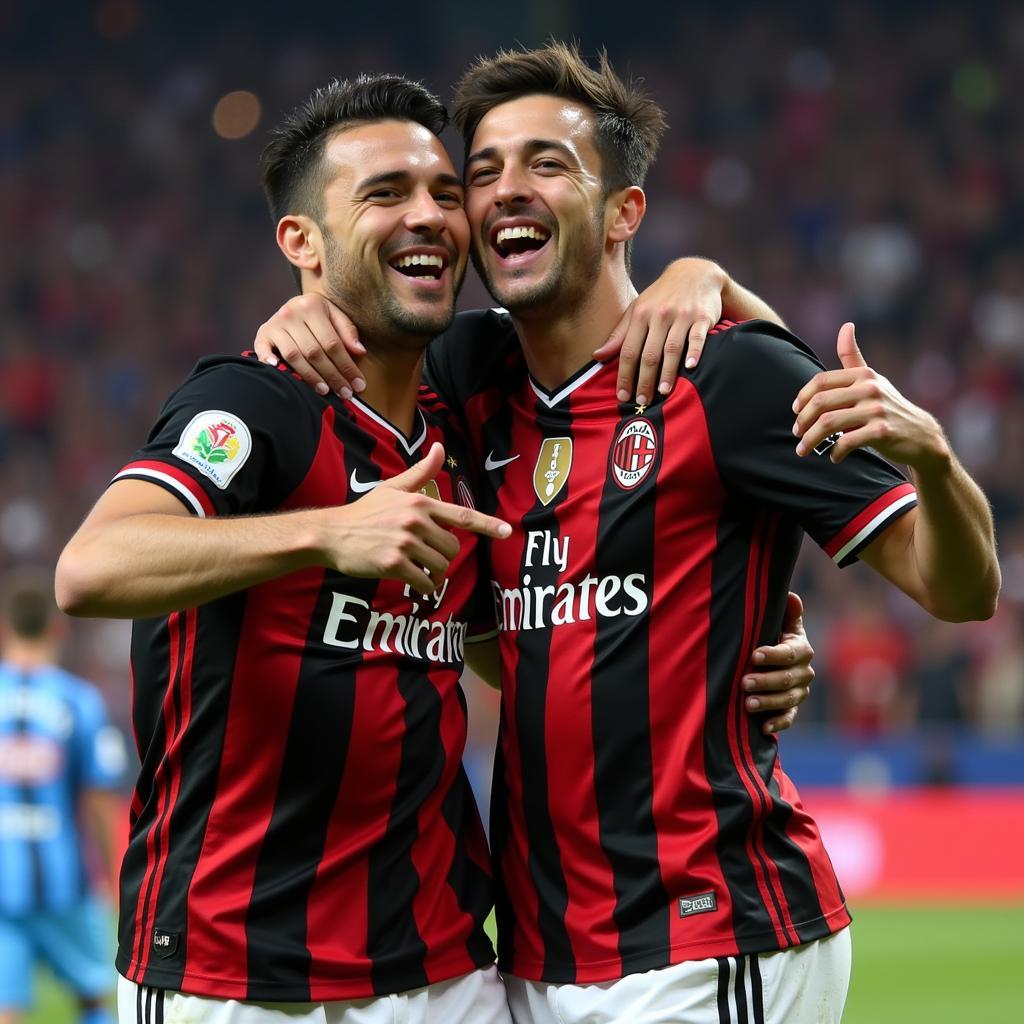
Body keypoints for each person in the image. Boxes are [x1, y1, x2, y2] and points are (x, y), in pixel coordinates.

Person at [259, 44, 1000, 1024]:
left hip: (707, 930)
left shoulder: (727, 375)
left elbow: (962, 590)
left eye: (547, 164)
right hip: (534, 948)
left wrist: (936, 464)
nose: (505, 192)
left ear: (623, 214)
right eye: (483, 172)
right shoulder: (466, 381)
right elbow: (513, 641)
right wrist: (301, 312)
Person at [53, 74, 814, 1024]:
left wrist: (705, 275)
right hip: (238, 974)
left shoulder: (469, 415)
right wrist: (328, 534)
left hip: (447, 970)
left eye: (443, 193)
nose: (429, 215)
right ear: (300, 242)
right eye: (384, 195)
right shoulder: (260, 403)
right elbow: (91, 568)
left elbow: (517, 634)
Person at [0, 571, 126, 1024]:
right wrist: (111, 877)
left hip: (1, 880)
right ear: (58, 628)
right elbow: (98, 796)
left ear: (4, 628)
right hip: (66, 882)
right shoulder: (79, 701)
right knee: (93, 998)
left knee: (5, 1008)